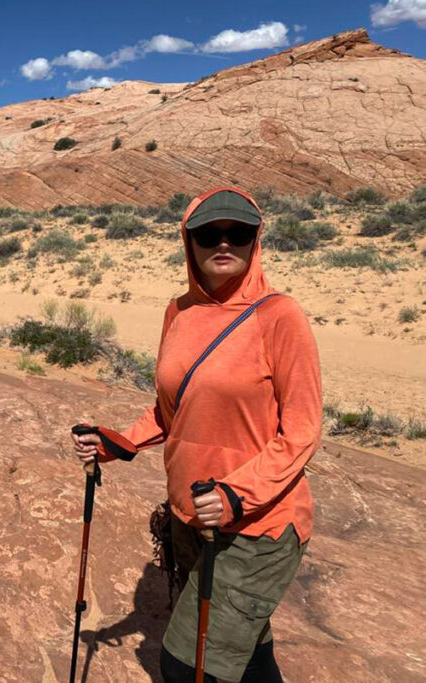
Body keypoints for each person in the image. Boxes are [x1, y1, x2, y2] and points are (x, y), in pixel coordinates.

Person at [73, 187, 321, 683]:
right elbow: (172, 410)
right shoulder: (179, 312)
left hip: (257, 527)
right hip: (191, 518)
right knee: (247, 653)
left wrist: (235, 494)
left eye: (239, 233)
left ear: (256, 241)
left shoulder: (280, 316)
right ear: (190, 242)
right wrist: (118, 443)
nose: (223, 243)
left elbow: (302, 430)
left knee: (185, 666)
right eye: (209, 233)